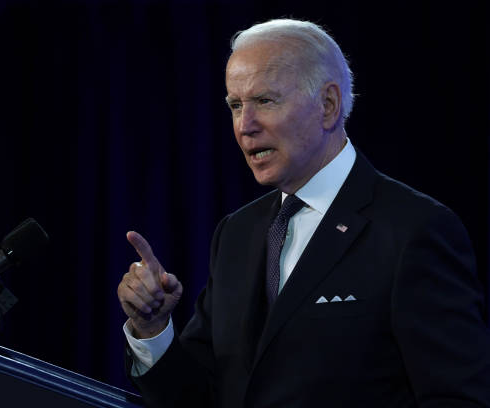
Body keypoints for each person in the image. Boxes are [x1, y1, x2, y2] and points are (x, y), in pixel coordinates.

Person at [116, 18, 490, 407]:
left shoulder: (414, 229)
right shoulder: (236, 233)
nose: (245, 126)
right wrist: (152, 328)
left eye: (265, 101)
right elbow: (199, 396)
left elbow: (459, 397)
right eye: (235, 105)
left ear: (328, 106)